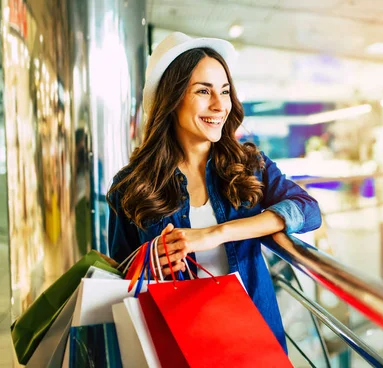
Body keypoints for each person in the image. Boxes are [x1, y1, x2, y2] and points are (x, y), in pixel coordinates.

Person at [107, 32, 322, 352]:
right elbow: (120, 276)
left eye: (224, 90)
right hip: (178, 345)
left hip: (253, 340)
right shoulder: (131, 186)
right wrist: (150, 262)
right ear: (172, 97)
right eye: (203, 91)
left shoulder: (247, 166)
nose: (220, 105)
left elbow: (307, 209)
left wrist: (215, 233)